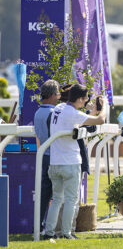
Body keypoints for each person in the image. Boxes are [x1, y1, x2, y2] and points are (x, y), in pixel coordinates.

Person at [43, 85, 107, 240]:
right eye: (85, 99)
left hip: (55, 162)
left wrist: (90, 112)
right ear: (79, 99)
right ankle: (66, 233)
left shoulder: (59, 108)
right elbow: (100, 120)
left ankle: (49, 232)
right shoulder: (72, 113)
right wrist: (104, 106)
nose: (85, 102)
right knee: (71, 200)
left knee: (57, 199)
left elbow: (78, 122)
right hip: (70, 163)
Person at [34, 80, 60, 230]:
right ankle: (50, 227)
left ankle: (39, 224)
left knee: (44, 194)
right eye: (57, 94)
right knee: (56, 194)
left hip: (43, 154)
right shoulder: (52, 113)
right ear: (51, 95)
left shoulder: (38, 112)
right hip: (53, 156)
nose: (58, 97)